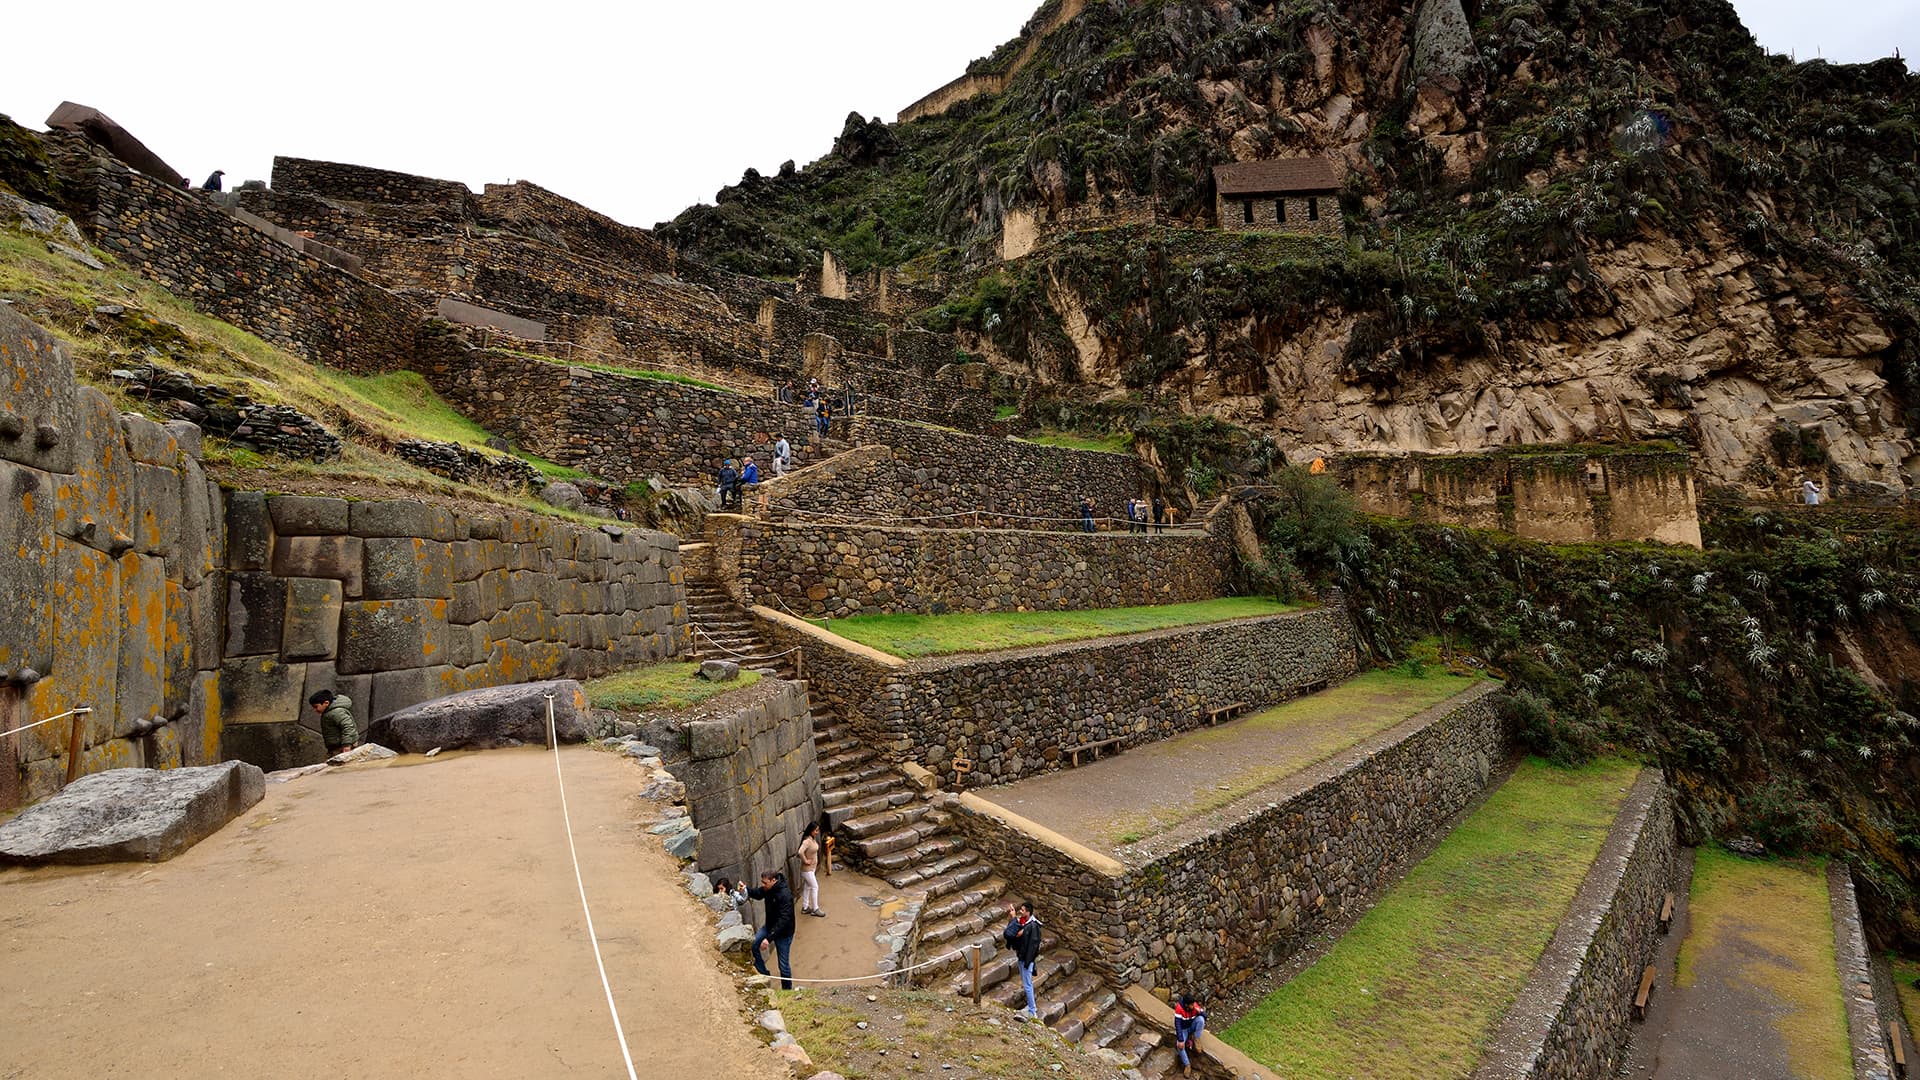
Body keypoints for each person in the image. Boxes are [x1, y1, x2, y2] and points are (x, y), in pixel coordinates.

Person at [747, 870, 796, 989]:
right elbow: (758, 894)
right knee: (754, 945)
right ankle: (764, 974)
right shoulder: (768, 889)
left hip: (783, 933)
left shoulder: (785, 895)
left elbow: (784, 920)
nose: (763, 885)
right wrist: (746, 889)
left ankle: (787, 991)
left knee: (783, 965)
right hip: (769, 927)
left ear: (773, 880)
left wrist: (768, 939)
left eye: (765, 883)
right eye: (762, 883)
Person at [1003, 902, 1043, 1019]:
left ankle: (1032, 1011)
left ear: (1028, 912)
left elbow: (1033, 946)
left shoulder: (1032, 926)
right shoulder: (1024, 923)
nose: (1021, 911)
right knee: (1027, 984)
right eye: (1020, 910)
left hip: (1026, 959)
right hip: (1023, 957)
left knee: (1027, 985)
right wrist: (1013, 918)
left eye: (1023, 910)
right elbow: (1011, 934)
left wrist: (1028, 961)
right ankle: (1031, 1007)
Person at [308, 689, 358, 757]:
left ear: (326, 703)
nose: (315, 710)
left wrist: (347, 745)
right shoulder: (328, 712)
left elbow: (348, 727)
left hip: (343, 747)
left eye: (316, 707)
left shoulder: (337, 712)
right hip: (336, 747)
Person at [1172, 993, 1207, 1074]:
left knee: (1201, 1020)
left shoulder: (1194, 1005)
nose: (1193, 1006)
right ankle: (1187, 1065)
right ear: (1186, 1005)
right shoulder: (1179, 1008)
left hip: (1192, 1026)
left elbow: (1205, 1017)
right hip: (1183, 1029)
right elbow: (1178, 1025)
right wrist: (1180, 1040)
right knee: (1179, 1046)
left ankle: (1196, 1039)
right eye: (1191, 1005)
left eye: (1193, 1004)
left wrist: (1200, 1012)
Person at [797, 821, 825, 917]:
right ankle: (815, 909)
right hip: (807, 870)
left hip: (811, 869)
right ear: (811, 830)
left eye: (818, 830)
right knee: (815, 887)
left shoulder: (812, 839)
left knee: (807, 887)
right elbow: (800, 852)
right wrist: (805, 860)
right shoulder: (807, 841)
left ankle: (805, 907)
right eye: (816, 830)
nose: (817, 832)